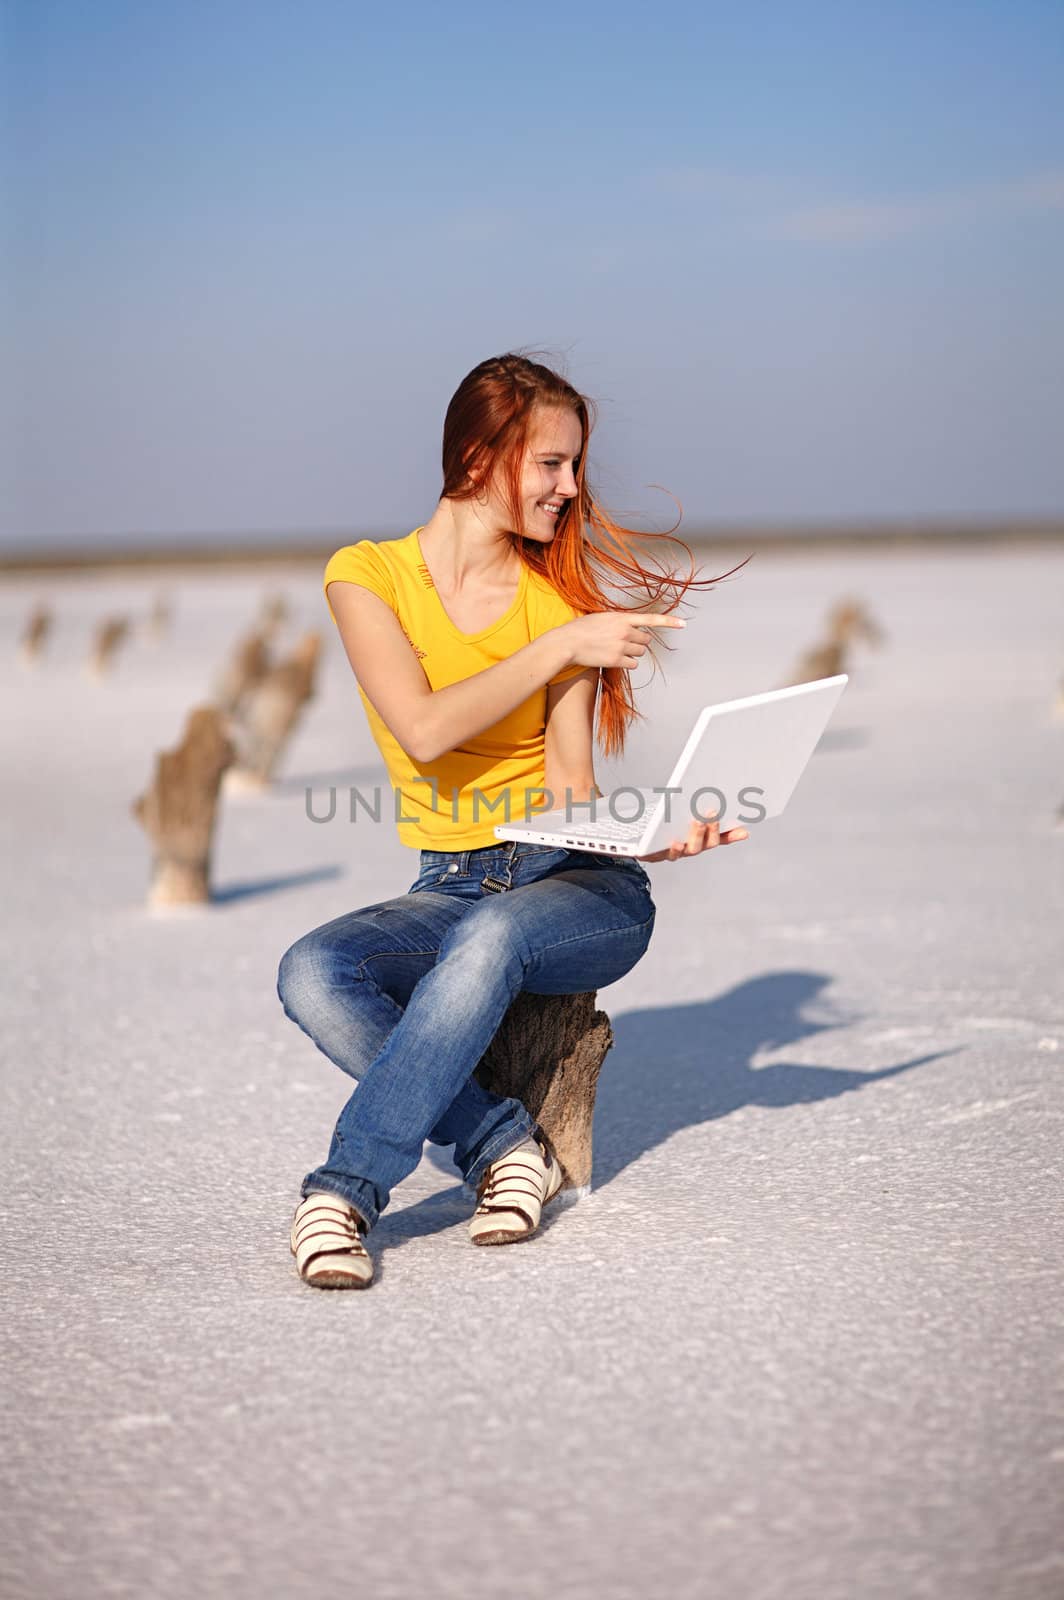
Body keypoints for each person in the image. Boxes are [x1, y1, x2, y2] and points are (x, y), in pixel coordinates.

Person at [277, 351, 750, 1289]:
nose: (572, 489)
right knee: (315, 972)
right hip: (451, 878)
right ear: (481, 456)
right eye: (552, 464)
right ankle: (503, 1144)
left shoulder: (556, 607)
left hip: (576, 887)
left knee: (494, 934)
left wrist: (652, 834)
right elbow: (420, 728)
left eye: (575, 466)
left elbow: (570, 795)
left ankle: (344, 1190)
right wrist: (563, 646)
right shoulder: (366, 577)